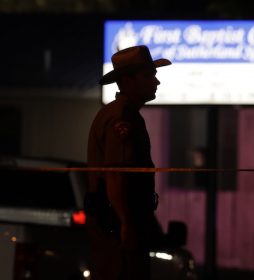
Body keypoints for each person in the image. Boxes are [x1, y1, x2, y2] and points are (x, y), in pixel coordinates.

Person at [85, 45, 171, 280]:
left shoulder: (121, 113)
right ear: (128, 80)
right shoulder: (121, 118)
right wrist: (126, 223)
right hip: (117, 225)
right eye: (149, 75)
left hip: (117, 222)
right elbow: (116, 174)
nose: (156, 82)